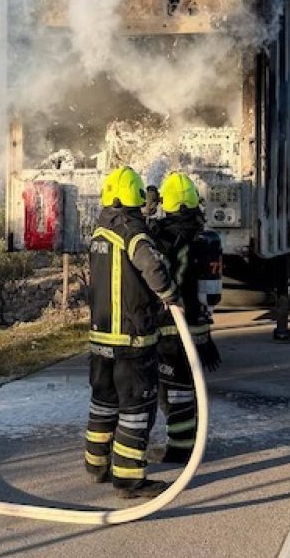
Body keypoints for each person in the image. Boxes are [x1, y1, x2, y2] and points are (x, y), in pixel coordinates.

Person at [85, 166, 182, 498]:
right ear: (134, 196)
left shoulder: (100, 231)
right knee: (135, 411)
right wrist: (171, 297)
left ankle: (96, 466)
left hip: (101, 341)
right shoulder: (132, 232)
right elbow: (152, 266)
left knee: (103, 403)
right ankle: (128, 480)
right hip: (131, 340)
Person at [149, 172, 222, 464]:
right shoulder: (202, 237)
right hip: (196, 325)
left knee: (174, 390)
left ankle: (180, 448)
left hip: (171, 326)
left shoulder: (168, 238)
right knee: (187, 386)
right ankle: (187, 441)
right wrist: (204, 336)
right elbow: (208, 295)